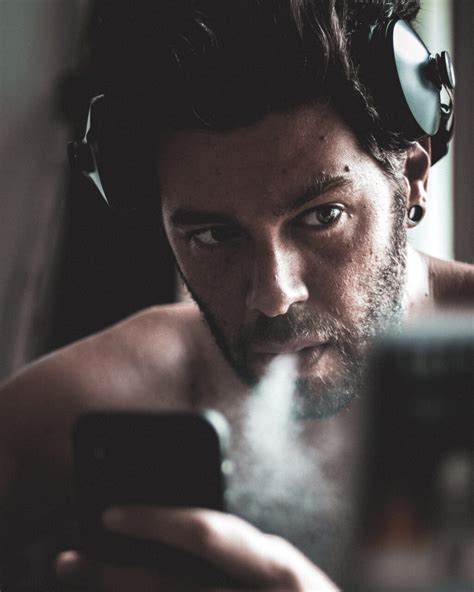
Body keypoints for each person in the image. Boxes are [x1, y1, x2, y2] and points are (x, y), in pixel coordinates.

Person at [0, 1, 472, 590]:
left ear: (414, 177)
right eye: (214, 236)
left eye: (322, 216)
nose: (274, 295)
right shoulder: (102, 401)